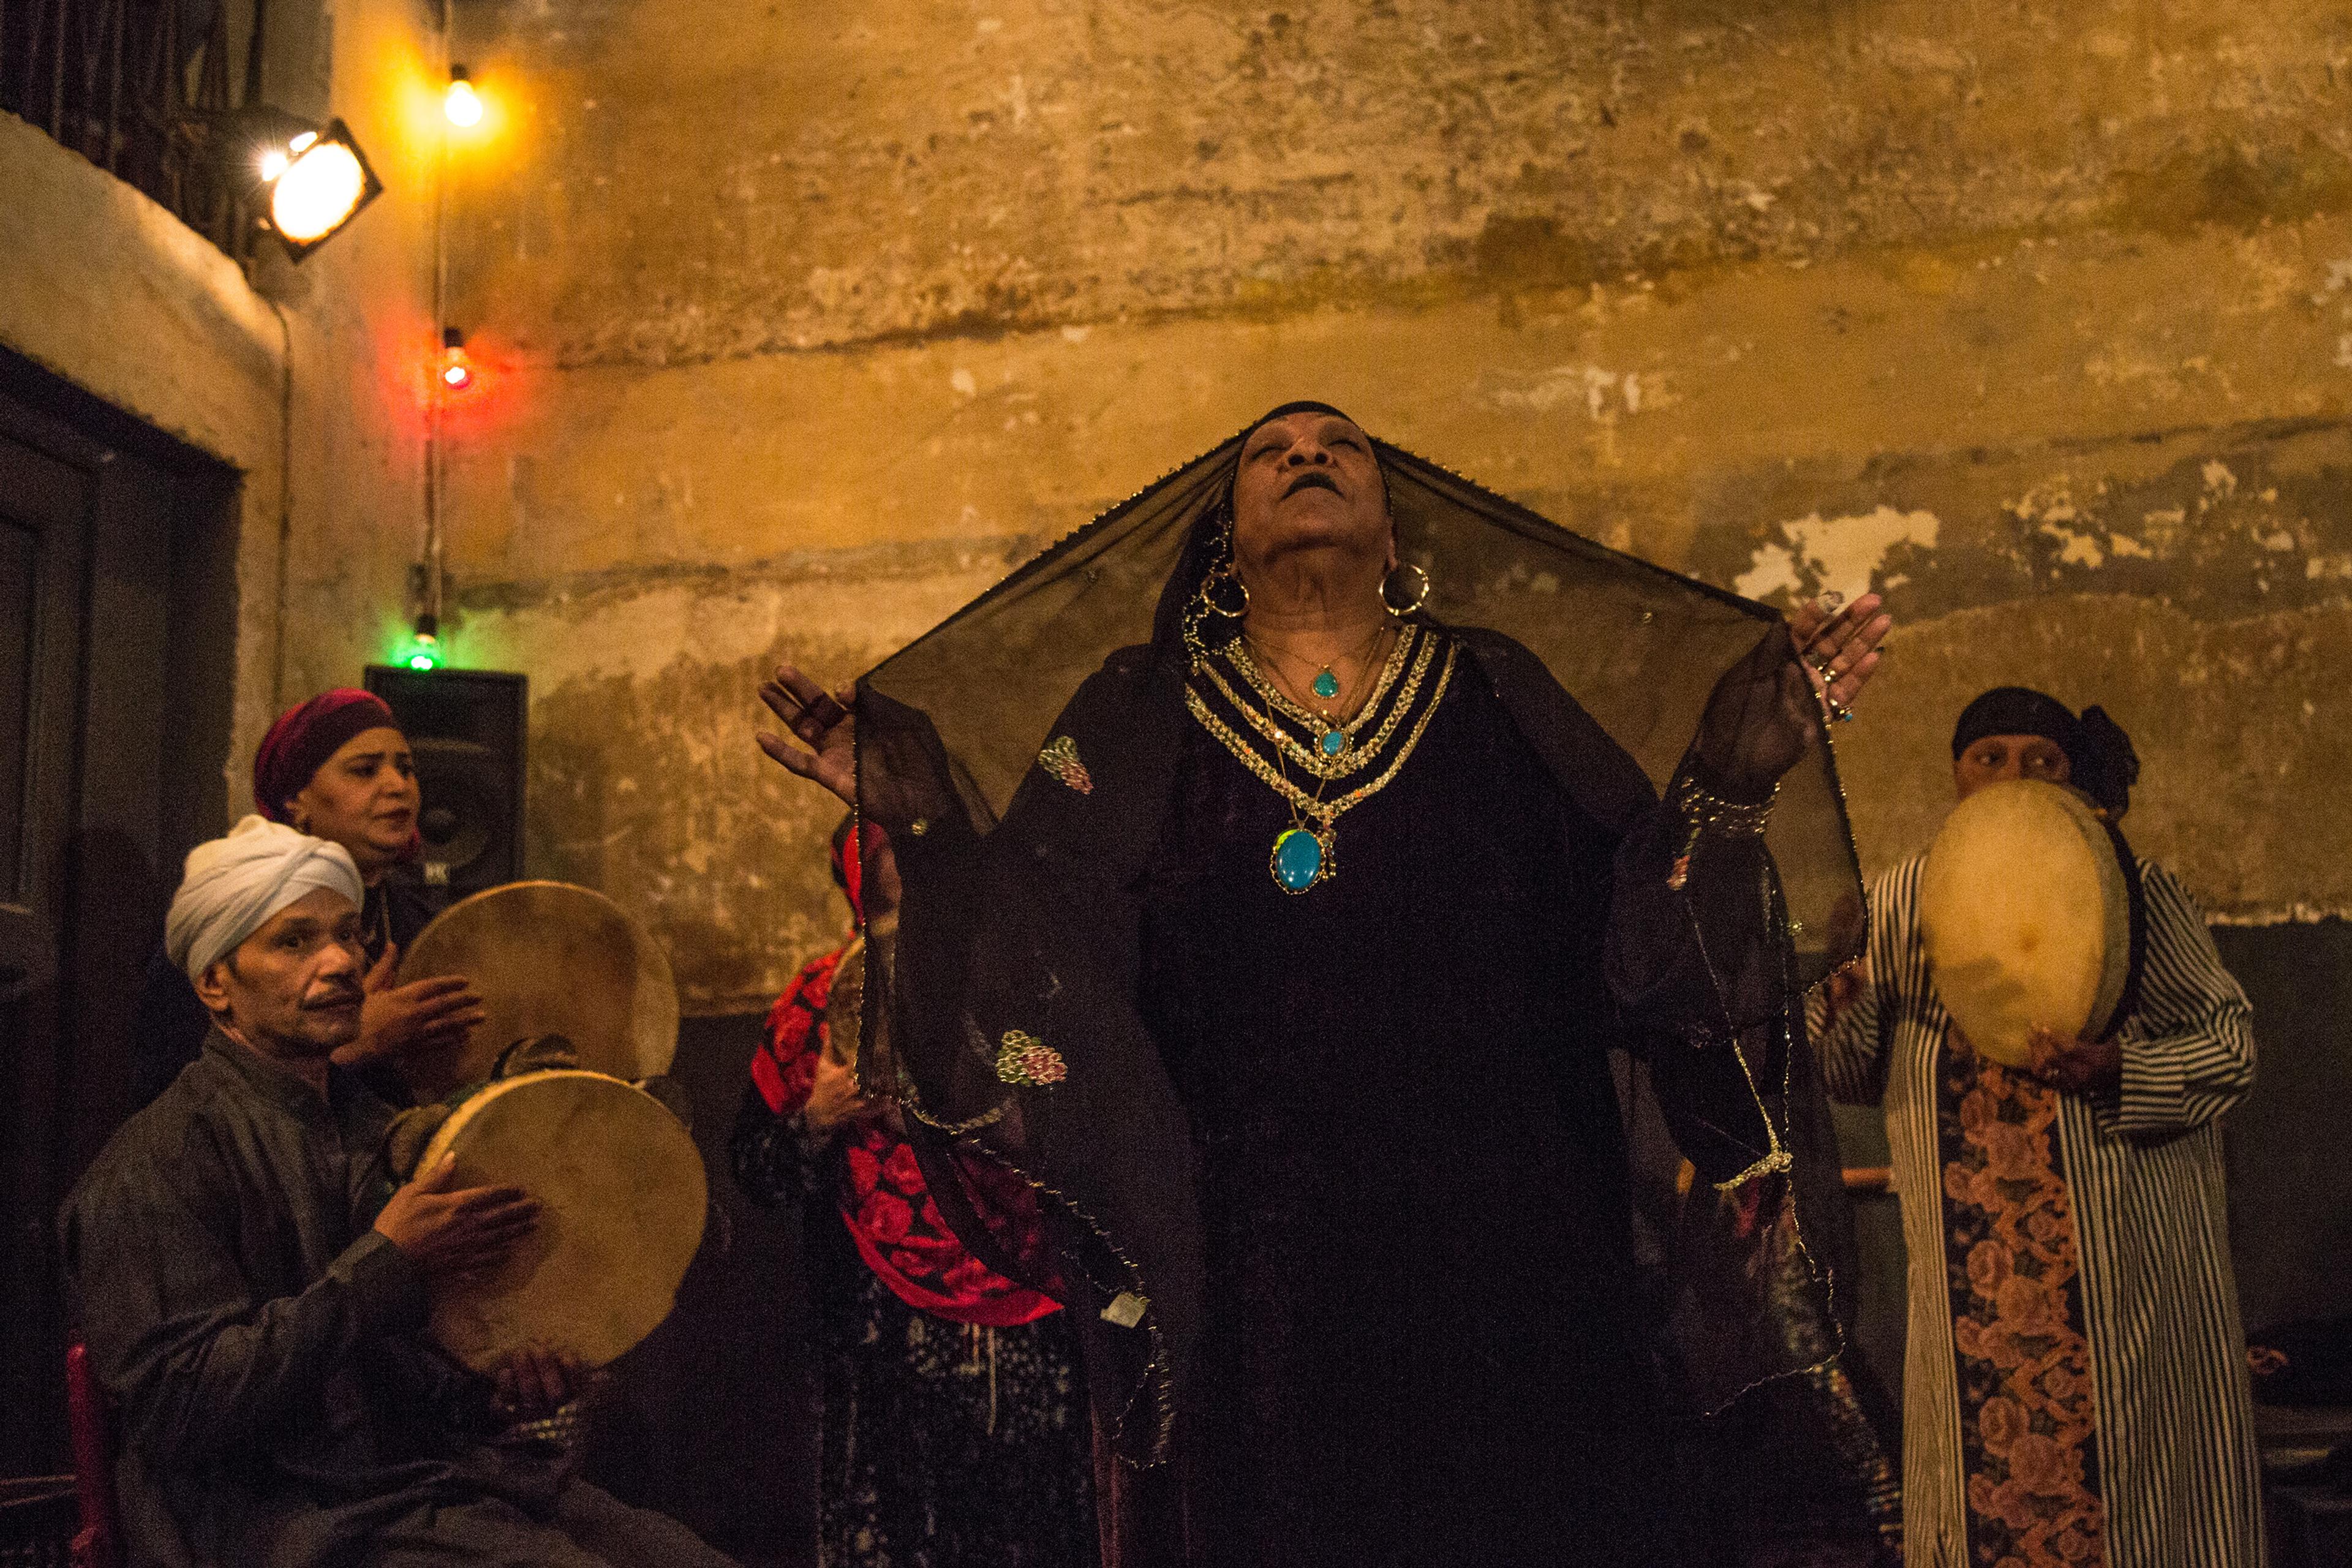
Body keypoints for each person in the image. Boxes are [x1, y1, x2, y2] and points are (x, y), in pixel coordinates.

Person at [754, 402, 1893, 1567]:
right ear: (1229, 539)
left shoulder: (1501, 693)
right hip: (1262, 1293)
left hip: (1521, 1262)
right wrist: (930, 823)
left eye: (1339, 445)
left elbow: (1643, 954)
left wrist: (1727, 786)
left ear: (1394, 536)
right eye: (1271, 454)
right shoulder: (1128, 723)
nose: (1308, 456)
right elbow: (1031, 973)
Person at [61, 816, 736, 1568]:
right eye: (295, 942)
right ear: (215, 982)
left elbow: (406, 1372)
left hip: (417, 1487)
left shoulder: (375, 1128)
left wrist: (500, 1394)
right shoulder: (158, 1164)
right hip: (267, 1520)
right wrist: (388, 1264)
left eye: (348, 935)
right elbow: (180, 1408)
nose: (340, 961)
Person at [1815, 687, 2263, 1568]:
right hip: (1968, 1277)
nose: (2014, 775)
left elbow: (2230, 1050)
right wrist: (1848, 1002)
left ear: (2073, 774)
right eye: (1990, 757)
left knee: (2146, 1503)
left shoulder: (2135, 885)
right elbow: (1846, 1077)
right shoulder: (1898, 899)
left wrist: (2121, 1069)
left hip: (2124, 1268)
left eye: (2041, 760)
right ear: (1956, 773)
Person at [731, 817, 1097, 1567]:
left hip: (1034, 1302)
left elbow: (1104, 1137)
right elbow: (757, 1170)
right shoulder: (815, 1006)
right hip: (879, 1328)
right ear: (853, 872)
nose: (914, 862)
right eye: (889, 845)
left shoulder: (1038, 984)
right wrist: (819, 1117)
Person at [130, 690, 482, 1108]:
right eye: (365, 771)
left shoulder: (421, 922)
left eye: (406, 769)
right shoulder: (234, 914)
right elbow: (174, 1093)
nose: (397, 786)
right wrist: (352, 1045)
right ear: (295, 800)